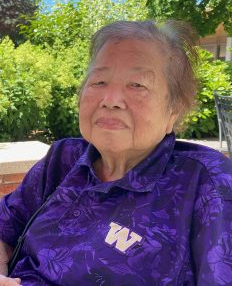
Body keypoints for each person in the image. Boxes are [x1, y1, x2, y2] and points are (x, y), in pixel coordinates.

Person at [0, 20, 232, 286]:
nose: (110, 99)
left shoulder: (207, 184)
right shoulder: (64, 159)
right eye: (99, 81)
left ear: (173, 111)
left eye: (137, 85)